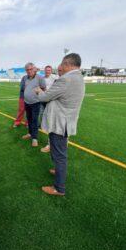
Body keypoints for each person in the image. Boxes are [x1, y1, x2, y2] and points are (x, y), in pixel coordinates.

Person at [36, 53, 85, 196]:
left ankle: (59, 188)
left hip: (60, 123)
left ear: (68, 64)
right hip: (65, 122)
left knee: (59, 155)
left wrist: (39, 91)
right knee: (58, 153)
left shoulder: (66, 79)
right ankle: (58, 172)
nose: (60, 67)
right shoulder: (78, 77)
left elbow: (45, 97)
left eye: (62, 64)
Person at [22, 63, 46, 147]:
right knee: (29, 119)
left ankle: (34, 138)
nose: (29, 71)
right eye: (27, 70)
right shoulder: (25, 78)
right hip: (26, 102)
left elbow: (43, 88)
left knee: (34, 120)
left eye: (30, 69)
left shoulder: (39, 77)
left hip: (36, 103)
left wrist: (38, 93)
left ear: (34, 69)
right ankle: (29, 133)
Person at [40, 65, 59, 153]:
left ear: (51, 71)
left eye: (49, 70)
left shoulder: (55, 77)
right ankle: (51, 143)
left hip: (51, 102)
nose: (47, 71)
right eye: (46, 70)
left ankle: (50, 145)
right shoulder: (42, 78)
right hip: (43, 102)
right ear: (44, 71)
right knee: (46, 122)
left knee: (51, 123)